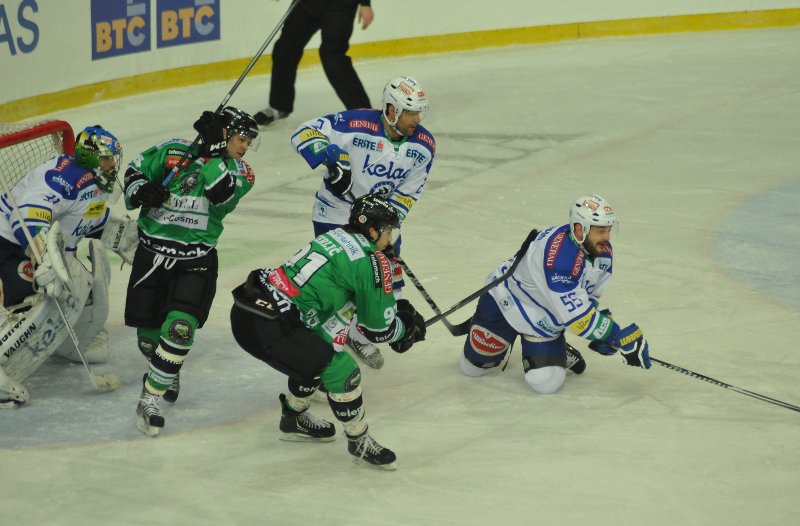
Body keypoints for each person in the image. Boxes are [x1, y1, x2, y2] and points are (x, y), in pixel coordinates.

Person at [229, 195, 427, 470]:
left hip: (249, 311)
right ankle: (359, 441)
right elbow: (378, 330)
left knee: (321, 347)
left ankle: (293, 417)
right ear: (372, 230)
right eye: (388, 230)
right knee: (343, 371)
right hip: (270, 328)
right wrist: (406, 329)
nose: (391, 238)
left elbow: (336, 305)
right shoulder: (371, 262)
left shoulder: (335, 236)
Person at [123, 107, 258, 436]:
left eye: (249, 142)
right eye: (241, 139)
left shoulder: (242, 172)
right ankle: (164, 369)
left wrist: (211, 153)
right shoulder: (173, 151)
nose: (245, 147)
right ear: (225, 132)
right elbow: (133, 172)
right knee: (147, 340)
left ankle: (150, 399)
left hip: (195, 259)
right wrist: (141, 190)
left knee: (181, 329)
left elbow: (221, 194)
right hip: (151, 256)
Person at [289, 75, 434, 369]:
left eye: (419, 112)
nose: (416, 119)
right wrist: (330, 156)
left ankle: (360, 333)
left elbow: (408, 194)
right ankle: (320, 355)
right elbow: (304, 132)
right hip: (336, 214)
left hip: (379, 223)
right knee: (342, 284)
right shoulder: (355, 124)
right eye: (410, 112)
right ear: (392, 110)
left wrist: (388, 228)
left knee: (386, 281)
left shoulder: (424, 146)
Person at [460, 195, 651, 395]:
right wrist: (616, 335)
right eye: (600, 231)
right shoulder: (561, 259)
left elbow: (590, 295)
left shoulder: (601, 252)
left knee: (545, 383)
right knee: (471, 368)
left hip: (544, 319)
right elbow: (580, 322)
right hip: (506, 300)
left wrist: (601, 331)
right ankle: (493, 327)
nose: (607, 238)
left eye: (608, 230)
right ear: (579, 230)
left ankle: (558, 349)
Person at [0, 125, 134, 406]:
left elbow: (89, 221)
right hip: (9, 239)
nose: (113, 165)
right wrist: (43, 260)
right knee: (30, 304)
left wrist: (123, 236)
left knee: (68, 291)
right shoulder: (65, 178)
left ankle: (68, 341)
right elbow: (27, 216)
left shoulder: (95, 186)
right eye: (108, 159)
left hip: (33, 246)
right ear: (91, 157)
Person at [255, 0, 374, 126]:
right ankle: (279, 106)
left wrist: (365, 4)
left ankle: (365, 115)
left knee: (332, 57)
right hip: (307, 4)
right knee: (285, 49)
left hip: (340, 5)